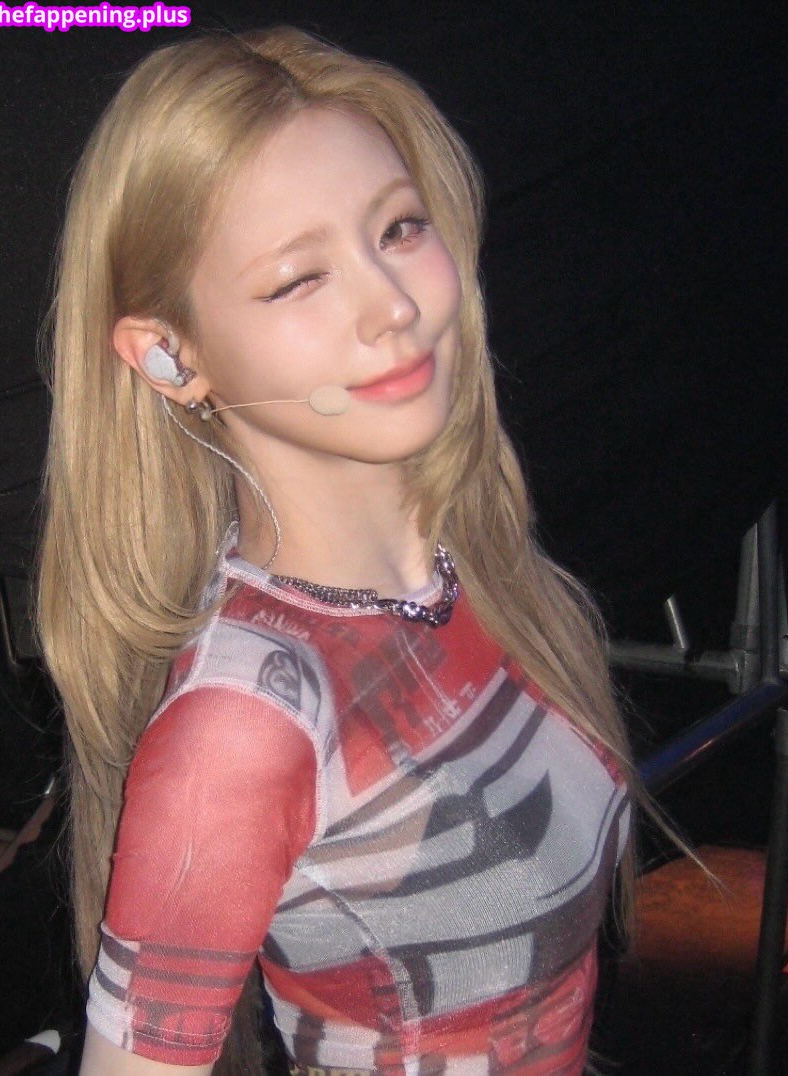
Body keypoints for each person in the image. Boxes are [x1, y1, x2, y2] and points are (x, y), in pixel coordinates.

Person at [37, 25, 640, 1075]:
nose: (393, 306)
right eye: (298, 279)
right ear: (170, 356)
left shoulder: (470, 573)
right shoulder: (244, 724)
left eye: (398, 228)